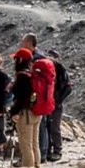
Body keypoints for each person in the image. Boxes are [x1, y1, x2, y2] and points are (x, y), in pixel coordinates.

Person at [20, 32, 69, 161]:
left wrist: (56, 100)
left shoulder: (36, 60)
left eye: (23, 42)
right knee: (44, 126)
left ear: (29, 43)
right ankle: (44, 153)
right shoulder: (42, 60)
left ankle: (44, 154)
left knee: (46, 127)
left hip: (43, 100)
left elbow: (35, 85)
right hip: (47, 99)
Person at [10, 49, 39, 168]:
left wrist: (15, 112)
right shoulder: (32, 73)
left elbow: (21, 97)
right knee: (34, 143)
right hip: (35, 112)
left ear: (20, 60)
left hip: (25, 113)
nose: (14, 61)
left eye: (16, 59)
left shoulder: (22, 76)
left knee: (26, 145)